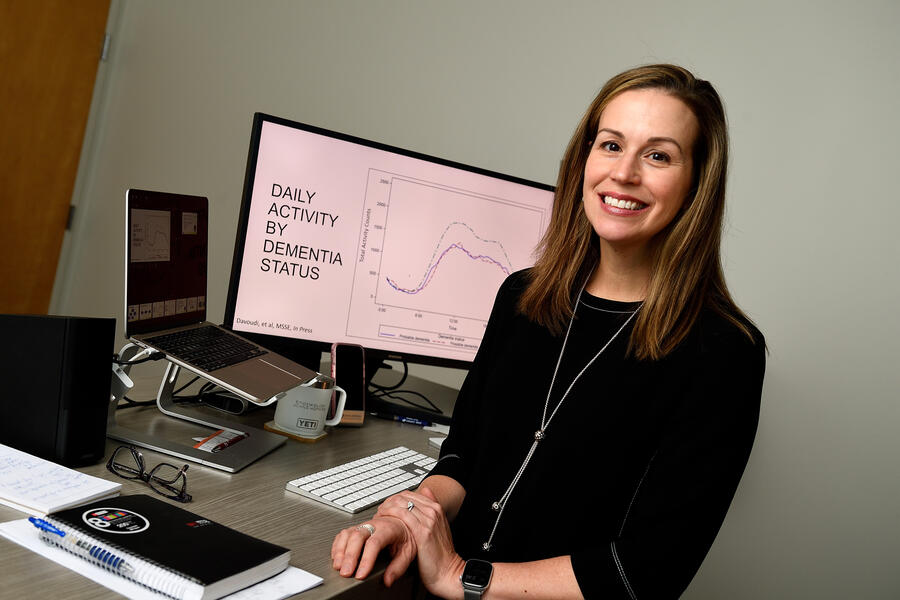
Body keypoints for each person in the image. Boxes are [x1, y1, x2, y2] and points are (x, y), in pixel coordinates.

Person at [331, 63, 766, 599]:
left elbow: (647, 570)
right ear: (583, 158)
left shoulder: (725, 352)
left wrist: (461, 577)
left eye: (658, 155)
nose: (624, 173)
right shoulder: (521, 296)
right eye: (611, 145)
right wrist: (415, 514)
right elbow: (464, 454)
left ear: (697, 183)